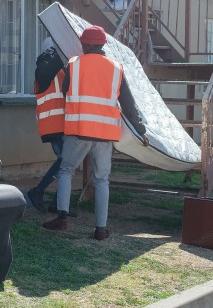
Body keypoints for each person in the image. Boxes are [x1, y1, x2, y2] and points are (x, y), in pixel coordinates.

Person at [42, 25, 148, 241]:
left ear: (88, 44)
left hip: (78, 131)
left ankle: (62, 217)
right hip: (104, 134)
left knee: (66, 171)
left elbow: (65, 93)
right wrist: (141, 130)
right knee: (102, 180)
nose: (81, 45)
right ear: (102, 45)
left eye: (83, 43)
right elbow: (128, 105)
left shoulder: (73, 65)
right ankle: (101, 229)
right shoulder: (116, 68)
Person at [26, 37, 66, 213]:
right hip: (54, 124)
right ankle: (38, 191)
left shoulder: (60, 69)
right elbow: (45, 75)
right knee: (66, 162)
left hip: (63, 124)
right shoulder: (42, 66)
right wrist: (60, 55)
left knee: (66, 164)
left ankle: (58, 203)